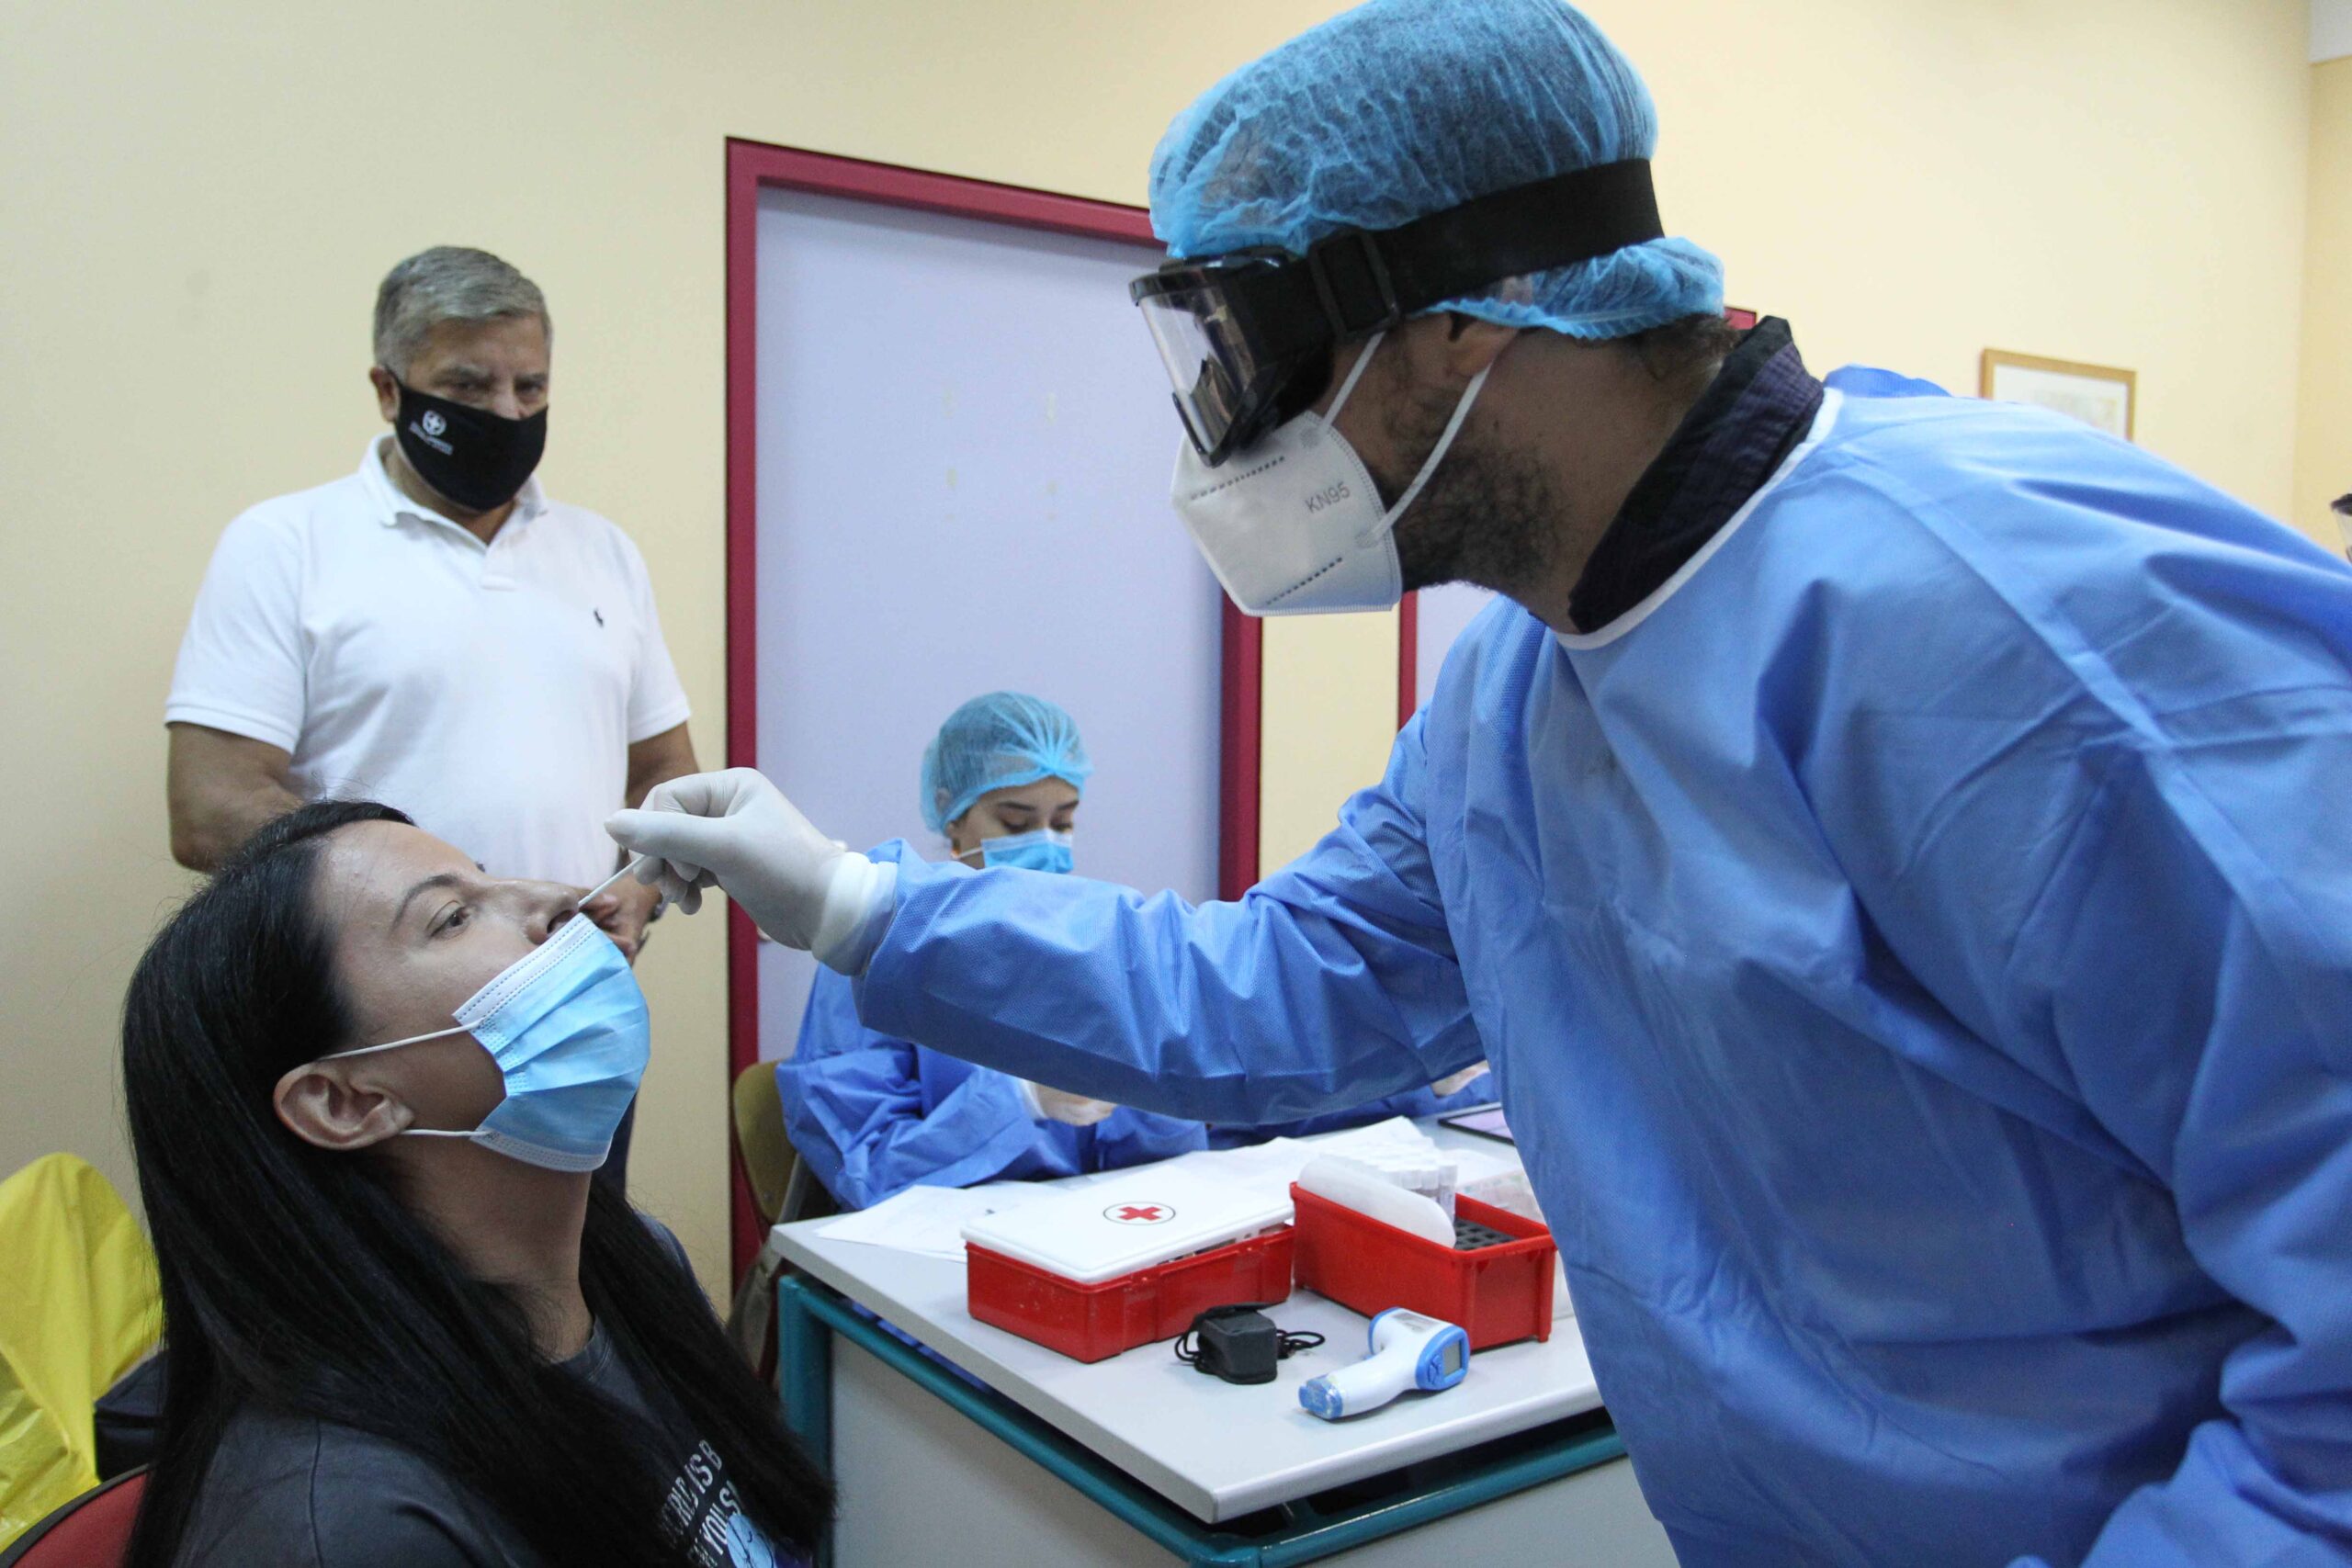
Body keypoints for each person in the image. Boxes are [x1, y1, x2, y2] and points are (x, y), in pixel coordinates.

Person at [610, 3, 2352, 1563]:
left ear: (1461, 325)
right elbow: (1293, 987)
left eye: (1253, 357)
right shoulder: (1520, 684)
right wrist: (856, 902)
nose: (1228, 439)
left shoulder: (2022, 624)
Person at [119, 800, 829, 1567]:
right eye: (454, 917)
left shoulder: (636, 1265)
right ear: (345, 1101)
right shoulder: (349, 1524)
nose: (561, 898)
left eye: (490, 880)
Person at [164, 245, 701, 1187]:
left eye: (531, 386)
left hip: (573, 1011)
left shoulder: (603, 553)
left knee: (580, 1263)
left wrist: (641, 889)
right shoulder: (285, 544)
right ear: (388, 389)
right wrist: (457, 909)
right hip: (377, 1033)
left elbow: (666, 771)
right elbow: (210, 808)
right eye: (468, 384)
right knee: (379, 1273)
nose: (507, 413)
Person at [779, 693, 1491, 1208]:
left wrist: (1417, 1074)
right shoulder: (878, 955)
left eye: (1064, 821)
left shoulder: (1080, 942)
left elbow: (1237, 1085)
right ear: (950, 811)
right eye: (1016, 822)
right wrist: (1018, 1102)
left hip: (1111, 1242)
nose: (1046, 843)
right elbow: (865, 1169)